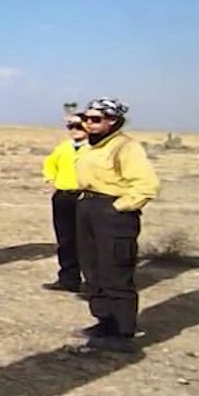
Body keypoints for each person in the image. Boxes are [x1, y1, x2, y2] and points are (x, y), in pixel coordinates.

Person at [72, 98, 160, 353]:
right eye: (86, 119)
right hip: (88, 206)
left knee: (115, 269)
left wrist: (118, 208)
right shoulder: (91, 146)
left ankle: (122, 331)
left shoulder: (125, 146)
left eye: (96, 119)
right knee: (92, 268)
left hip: (113, 212)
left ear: (112, 121)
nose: (89, 123)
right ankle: (104, 321)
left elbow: (146, 185)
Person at [41, 115, 88, 294]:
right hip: (63, 197)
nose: (74, 129)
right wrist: (50, 180)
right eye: (70, 126)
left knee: (87, 240)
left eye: (78, 126)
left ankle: (94, 282)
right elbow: (49, 163)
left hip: (85, 197)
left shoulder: (94, 149)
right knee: (65, 239)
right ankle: (68, 279)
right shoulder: (63, 148)